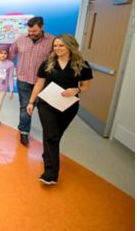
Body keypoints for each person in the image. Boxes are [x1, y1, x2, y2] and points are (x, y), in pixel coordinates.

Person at [26, 34, 93, 185]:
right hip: (46, 105)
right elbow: (39, 84)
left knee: (56, 135)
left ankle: (47, 155)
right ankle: (50, 173)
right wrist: (31, 102)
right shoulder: (47, 64)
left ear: (70, 46)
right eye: (55, 46)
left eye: (61, 45)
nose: (57, 48)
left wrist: (76, 90)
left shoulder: (82, 65)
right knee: (51, 135)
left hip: (68, 106)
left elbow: (86, 87)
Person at [8, 16, 55, 146]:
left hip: (41, 82)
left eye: (34, 31)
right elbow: (11, 55)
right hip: (23, 78)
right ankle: (24, 131)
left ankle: (49, 134)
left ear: (42, 27)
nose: (31, 34)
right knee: (25, 107)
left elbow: (55, 61)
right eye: (29, 31)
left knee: (41, 108)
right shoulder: (21, 40)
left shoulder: (52, 41)